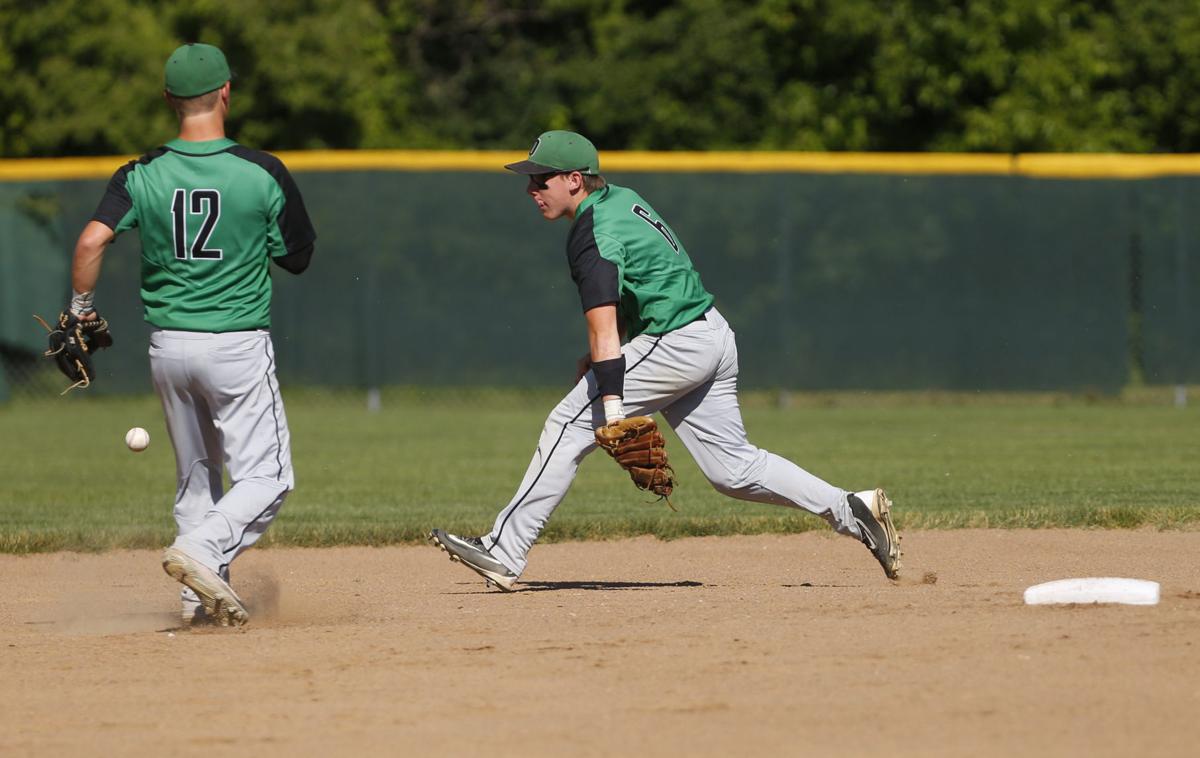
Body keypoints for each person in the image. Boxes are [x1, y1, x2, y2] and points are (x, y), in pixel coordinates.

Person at [430, 130, 900, 590]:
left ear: (574, 179)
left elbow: (603, 323)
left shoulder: (590, 230)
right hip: (712, 334)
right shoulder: (622, 199)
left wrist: (612, 403)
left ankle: (503, 549)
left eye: (542, 179)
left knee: (567, 423)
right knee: (732, 470)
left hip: (675, 343)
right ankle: (852, 509)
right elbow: (648, 285)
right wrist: (597, 363)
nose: (531, 189)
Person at [69, 43, 316, 625]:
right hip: (234, 344)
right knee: (269, 476)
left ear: (168, 100)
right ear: (226, 92)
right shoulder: (261, 171)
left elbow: (89, 242)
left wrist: (79, 310)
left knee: (196, 477)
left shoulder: (140, 173)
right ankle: (202, 552)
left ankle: (195, 600)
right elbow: (298, 258)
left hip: (168, 350)